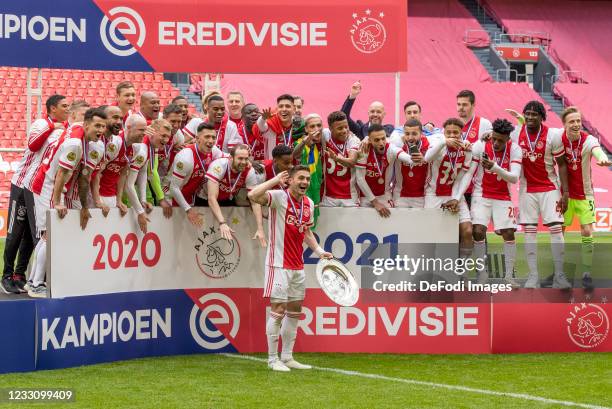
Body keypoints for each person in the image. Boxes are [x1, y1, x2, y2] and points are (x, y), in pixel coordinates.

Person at [247, 166, 333, 372]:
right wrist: (276, 179)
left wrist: (320, 251)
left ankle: (287, 357)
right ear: (291, 180)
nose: (304, 182)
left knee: (295, 311)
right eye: (300, 178)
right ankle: (271, 359)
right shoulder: (278, 197)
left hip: (298, 266)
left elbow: (307, 232)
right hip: (278, 264)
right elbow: (252, 194)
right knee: (278, 310)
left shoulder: (309, 203)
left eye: (307, 179)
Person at [28, 108, 107, 297]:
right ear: (86, 125)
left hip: (59, 184)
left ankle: (32, 281)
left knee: (48, 235)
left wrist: (84, 205)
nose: (101, 130)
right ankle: (37, 284)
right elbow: (61, 174)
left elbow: (85, 176)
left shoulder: (92, 143)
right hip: (48, 184)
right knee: (50, 235)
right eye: (97, 125)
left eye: (103, 127)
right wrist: (57, 202)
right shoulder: (75, 144)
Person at [1, 95, 69, 294]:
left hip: (36, 188)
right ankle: (6, 275)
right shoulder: (41, 123)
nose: (67, 109)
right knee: (15, 232)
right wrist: (52, 128)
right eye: (64, 106)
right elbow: (33, 145)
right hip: (21, 184)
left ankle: (20, 275)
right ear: (52, 109)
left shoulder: (64, 129)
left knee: (33, 236)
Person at [448, 119, 522, 285]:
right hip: (481, 193)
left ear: (508, 139)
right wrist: (458, 196)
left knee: (509, 233)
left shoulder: (515, 149)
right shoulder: (481, 145)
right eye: (494, 138)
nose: (495, 143)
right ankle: (482, 273)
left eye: (500, 141)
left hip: (503, 195)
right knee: (478, 231)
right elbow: (469, 174)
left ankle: (509, 275)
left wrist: (494, 167)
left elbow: (515, 177)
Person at [510, 101, 570, 289]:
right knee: (529, 232)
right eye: (527, 113)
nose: (529, 117)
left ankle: (559, 277)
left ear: (542, 117)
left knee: (556, 229)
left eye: (534, 114)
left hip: (549, 187)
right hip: (527, 188)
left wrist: (565, 192)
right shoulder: (515, 133)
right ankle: (533, 277)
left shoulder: (553, 135)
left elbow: (561, 164)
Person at [558, 107, 612, 289]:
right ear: (564, 124)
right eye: (572, 121)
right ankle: (559, 271)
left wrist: (603, 159)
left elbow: (597, 151)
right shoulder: (558, 138)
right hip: (564, 194)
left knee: (587, 231)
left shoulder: (588, 140)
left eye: (578, 121)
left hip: (585, 194)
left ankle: (587, 272)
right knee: (560, 232)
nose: (576, 124)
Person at [426, 118, 473, 259]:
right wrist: (443, 142)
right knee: (433, 235)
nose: (452, 136)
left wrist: (456, 198)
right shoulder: (437, 142)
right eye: (449, 133)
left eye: (456, 133)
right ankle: (433, 270)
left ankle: (462, 272)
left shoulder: (466, 148)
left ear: (461, 133)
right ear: (443, 132)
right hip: (433, 194)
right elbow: (427, 158)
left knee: (467, 231)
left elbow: (463, 176)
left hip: (455, 193)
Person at [161, 123, 226, 224]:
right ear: (197, 138)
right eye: (207, 137)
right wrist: (188, 210)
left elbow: (228, 157)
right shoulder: (185, 157)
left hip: (189, 195)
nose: (211, 141)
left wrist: (245, 156)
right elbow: (174, 187)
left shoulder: (213, 150)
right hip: (171, 194)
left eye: (213, 137)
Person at [355, 124, 416, 217]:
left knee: (389, 226)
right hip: (366, 197)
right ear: (370, 140)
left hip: (385, 196)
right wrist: (375, 202)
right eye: (377, 140)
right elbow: (360, 179)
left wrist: (413, 159)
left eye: (383, 138)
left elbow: (404, 156)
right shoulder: (364, 149)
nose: (381, 143)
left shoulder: (390, 148)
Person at [123, 119, 171, 233]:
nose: (166, 140)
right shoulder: (142, 149)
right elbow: (128, 185)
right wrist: (140, 211)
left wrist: (143, 200)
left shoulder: (150, 146)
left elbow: (143, 172)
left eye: (168, 136)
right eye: (163, 135)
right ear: (152, 132)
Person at [94, 113, 147, 212]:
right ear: (129, 127)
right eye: (141, 130)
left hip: (112, 195)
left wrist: (119, 200)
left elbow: (122, 174)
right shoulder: (115, 143)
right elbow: (97, 172)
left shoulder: (136, 148)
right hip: (98, 194)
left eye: (145, 130)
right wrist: (97, 200)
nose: (144, 133)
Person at [206, 145, 260, 241]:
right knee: (208, 233)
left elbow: (255, 201)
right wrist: (222, 222)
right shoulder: (219, 165)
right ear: (231, 158)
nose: (243, 162)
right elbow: (211, 198)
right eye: (240, 158)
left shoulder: (249, 170)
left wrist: (260, 228)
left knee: (227, 234)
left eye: (246, 159)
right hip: (205, 199)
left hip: (227, 199)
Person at [455, 90, 493, 207]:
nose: (461, 108)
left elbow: (492, 150)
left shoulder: (484, 124)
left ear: (473, 105)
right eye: (459, 104)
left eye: (465, 104)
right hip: (457, 184)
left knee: (477, 223)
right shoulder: (452, 126)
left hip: (477, 187)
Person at [320, 111, 360, 207]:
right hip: (328, 197)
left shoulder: (353, 140)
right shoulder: (325, 135)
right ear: (330, 129)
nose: (344, 131)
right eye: (340, 128)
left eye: (346, 127)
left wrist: (336, 158)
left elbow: (352, 162)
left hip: (350, 197)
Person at [292, 114, 326, 226]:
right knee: (300, 227)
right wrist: (304, 143)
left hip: (316, 192)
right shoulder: (300, 143)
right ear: (306, 129)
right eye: (312, 126)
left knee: (311, 227)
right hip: (302, 192)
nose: (316, 129)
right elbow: (295, 154)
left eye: (319, 126)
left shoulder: (320, 143)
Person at [391, 119, 432, 208]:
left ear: (421, 133)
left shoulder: (428, 145)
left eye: (414, 134)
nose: (410, 137)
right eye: (407, 134)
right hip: (400, 195)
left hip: (421, 195)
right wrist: (367, 139)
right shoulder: (398, 144)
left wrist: (424, 158)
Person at [257, 94, 305, 159]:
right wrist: (263, 118)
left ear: (294, 108)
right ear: (277, 108)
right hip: (274, 167)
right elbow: (261, 126)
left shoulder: (300, 125)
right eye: (281, 106)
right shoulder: (271, 124)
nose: (284, 109)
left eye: (287, 106)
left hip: (294, 167)